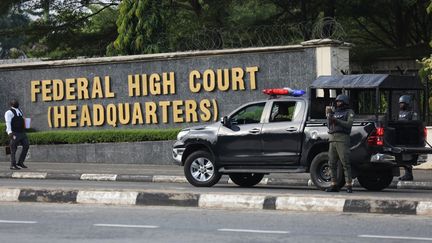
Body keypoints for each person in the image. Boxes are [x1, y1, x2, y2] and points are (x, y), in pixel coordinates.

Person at [325, 94, 354, 193]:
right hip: (332, 138)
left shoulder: (349, 112)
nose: (338, 103)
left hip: (342, 139)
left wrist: (336, 120)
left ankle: (349, 185)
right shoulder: (335, 112)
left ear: (344, 102)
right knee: (331, 163)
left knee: (345, 162)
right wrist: (329, 116)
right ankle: (333, 184)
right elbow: (329, 126)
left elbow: (349, 125)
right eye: (337, 101)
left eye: (340, 101)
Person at [4, 99, 29, 170]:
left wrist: (25, 123)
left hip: (22, 132)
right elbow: (8, 122)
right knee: (13, 149)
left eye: (17, 102)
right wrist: (9, 132)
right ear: (11, 104)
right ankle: (13, 164)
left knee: (26, 145)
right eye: (15, 102)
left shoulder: (20, 110)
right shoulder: (8, 112)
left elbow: (21, 119)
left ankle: (20, 162)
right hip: (14, 133)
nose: (16, 103)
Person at [398, 95, 418, 181]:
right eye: (400, 103)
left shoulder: (412, 114)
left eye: (402, 103)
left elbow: (415, 126)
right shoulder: (400, 113)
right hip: (401, 138)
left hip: (409, 139)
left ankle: (409, 174)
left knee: (408, 157)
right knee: (403, 157)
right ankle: (407, 174)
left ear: (407, 103)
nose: (401, 105)